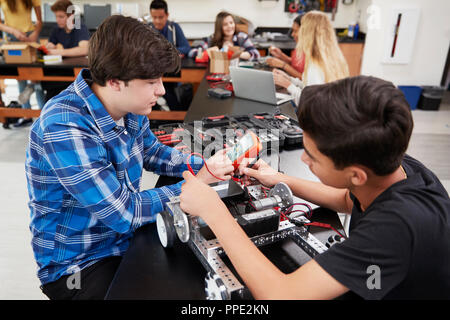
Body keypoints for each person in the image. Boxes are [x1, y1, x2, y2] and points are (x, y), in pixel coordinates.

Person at [179, 75, 450, 300]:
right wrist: (282, 180)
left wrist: (214, 211)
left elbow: (280, 295)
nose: (304, 159)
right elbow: (348, 199)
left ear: (356, 174)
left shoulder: (394, 229)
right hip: (378, 281)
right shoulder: (394, 166)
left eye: (313, 156)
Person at [25, 15, 234, 300]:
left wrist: (210, 165)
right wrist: (194, 187)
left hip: (123, 239)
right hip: (80, 265)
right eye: (151, 82)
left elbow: (153, 152)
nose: (161, 90)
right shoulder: (63, 125)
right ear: (114, 81)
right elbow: (124, 212)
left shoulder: (130, 107)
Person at [273, 10, 349, 107]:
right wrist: (290, 80)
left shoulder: (316, 65)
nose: (294, 34)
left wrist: (288, 85)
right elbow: (309, 87)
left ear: (307, 33)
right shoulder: (331, 57)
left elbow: (310, 102)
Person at [0, 0, 45, 126]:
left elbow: (39, 21)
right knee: (20, 77)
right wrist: (13, 31)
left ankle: (43, 114)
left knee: (37, 76)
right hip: (12, 38)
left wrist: (35, 34)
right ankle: (27, 115)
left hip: (30, 36)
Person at [40, 0, 90, 102]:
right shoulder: (57, 30)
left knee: (51, 86)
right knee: (47, 83)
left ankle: (35, 88)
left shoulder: (80, 27)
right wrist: (49, 47)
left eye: (61, 17)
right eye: (56, 17)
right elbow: (51, 44)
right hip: (64, 68)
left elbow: (84, 49)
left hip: (77, 71)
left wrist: (58, 52)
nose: (58, 20)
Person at [188, 11, 260, 61]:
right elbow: (191, 53)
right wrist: (209, 52)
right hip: (216, 72)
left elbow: (256, 54)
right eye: (225, 24)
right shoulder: (212, 38)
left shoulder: (241, 37)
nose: (230, 26)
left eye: (231, 23)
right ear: (219, 27)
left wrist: (236, 53)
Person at [266, 14, 305, 79]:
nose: (292, 34)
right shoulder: (301, 46)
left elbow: (305, 79)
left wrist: (283, 65)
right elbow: (296, 64)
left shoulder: (314, 52)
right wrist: (281, 55)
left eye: (295, 31)